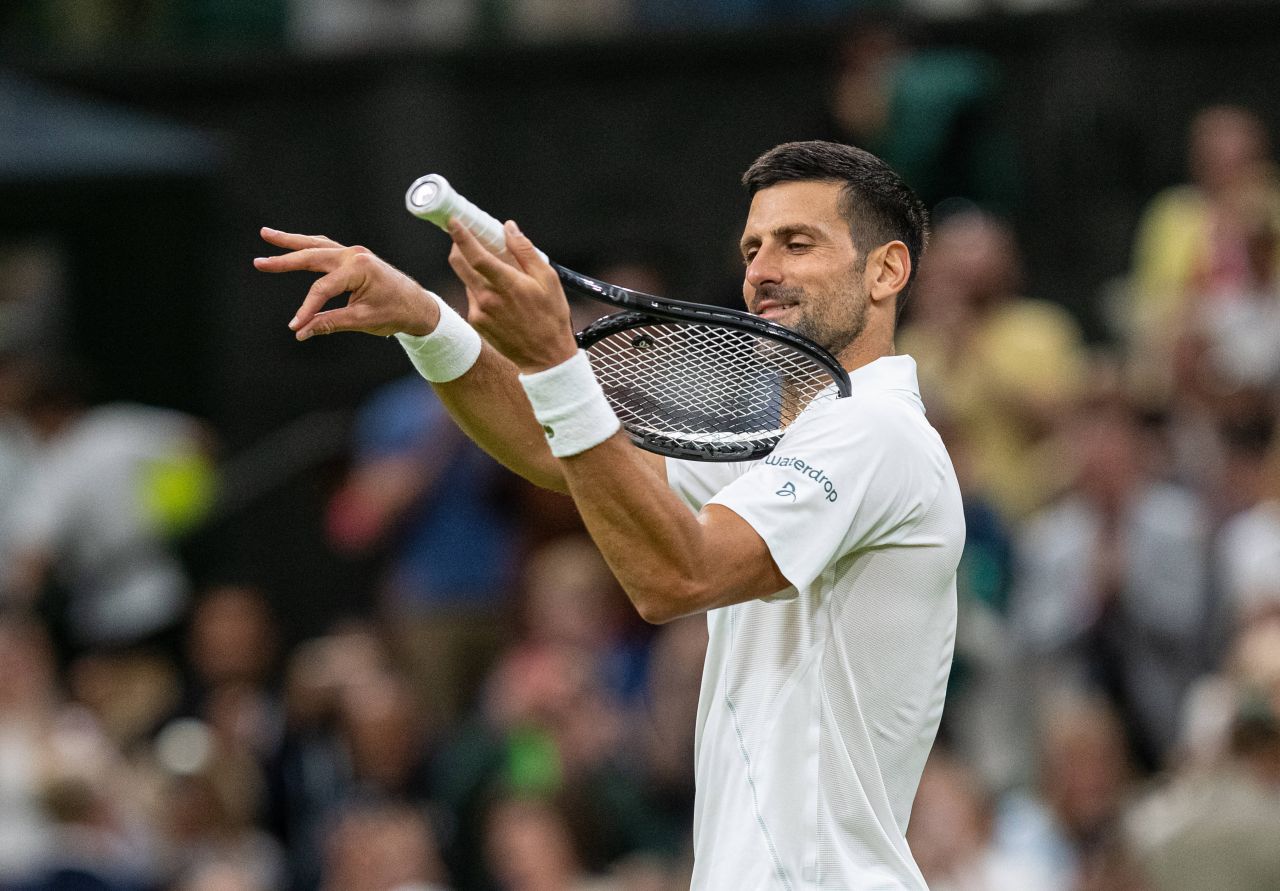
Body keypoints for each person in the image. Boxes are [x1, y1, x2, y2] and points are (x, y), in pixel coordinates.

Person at [255, 140, 965, 888]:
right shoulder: (785, 440)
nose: (761, 271)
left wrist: (558, 361)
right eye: (752, 248)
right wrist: (429, 323)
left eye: (798, 243)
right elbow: (559, 447)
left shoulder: (876, 430)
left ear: (886, 270)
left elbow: (674, 576)